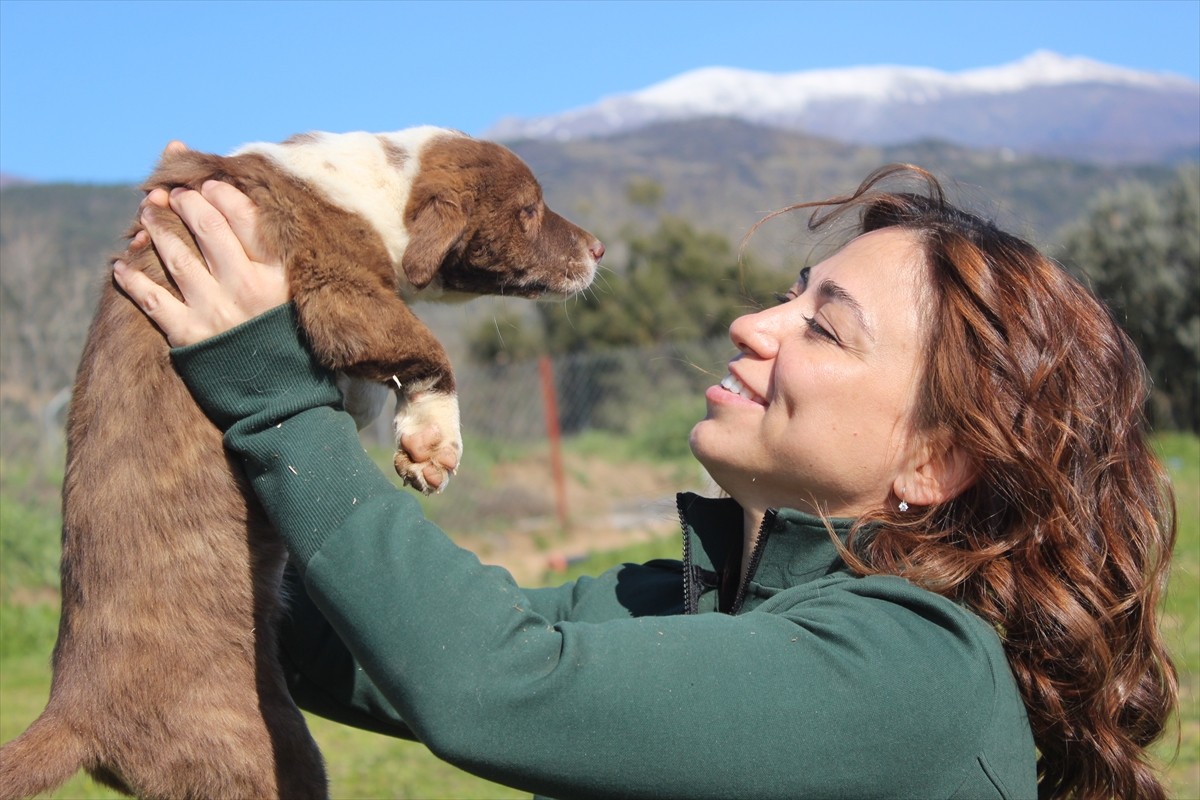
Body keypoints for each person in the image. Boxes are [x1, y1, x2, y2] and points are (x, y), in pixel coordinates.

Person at [114, 163, 1178, 800]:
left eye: (824, 328)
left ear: (932, 462)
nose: (751, 324)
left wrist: (271, 396)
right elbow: (366, 645)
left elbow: (488, 680)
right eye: (789, 293)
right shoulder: (685, 605)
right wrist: (137, 517)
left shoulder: (917, 669)